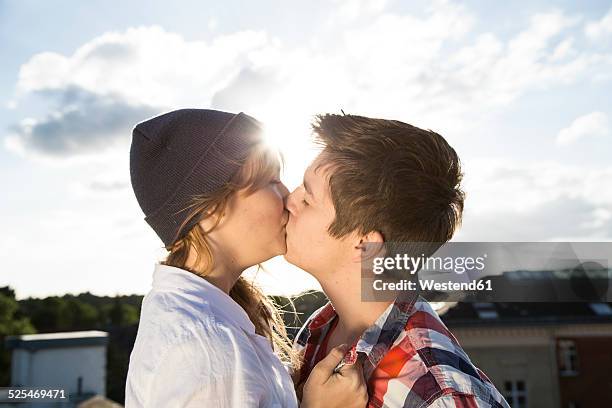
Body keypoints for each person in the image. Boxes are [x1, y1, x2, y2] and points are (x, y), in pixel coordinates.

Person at [125, 109, 368, 408]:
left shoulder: (206, 325)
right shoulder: (205, 348)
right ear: (210, 211)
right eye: (269, 180)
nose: (289, 196)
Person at [285, 114, 510, 407]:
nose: (290, 200)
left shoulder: (437, 393)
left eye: (307, 199)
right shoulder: (322, 326)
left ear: (365, 244)